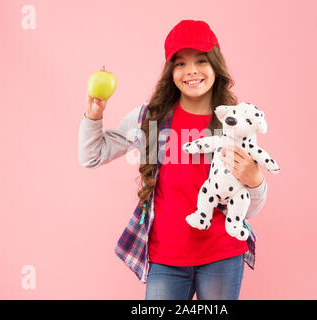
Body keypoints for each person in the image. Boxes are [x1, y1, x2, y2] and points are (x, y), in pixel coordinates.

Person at [78, 19, 268, 300]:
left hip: (222, 254)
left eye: (201, 60)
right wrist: (94, 115)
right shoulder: (150, 118)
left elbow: (247, 209)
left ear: (215, 65)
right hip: (165, 259)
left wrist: (256, 182)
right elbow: (91, 156)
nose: (191, 71)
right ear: (170, 71)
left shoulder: (234, 122)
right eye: (180, 63)